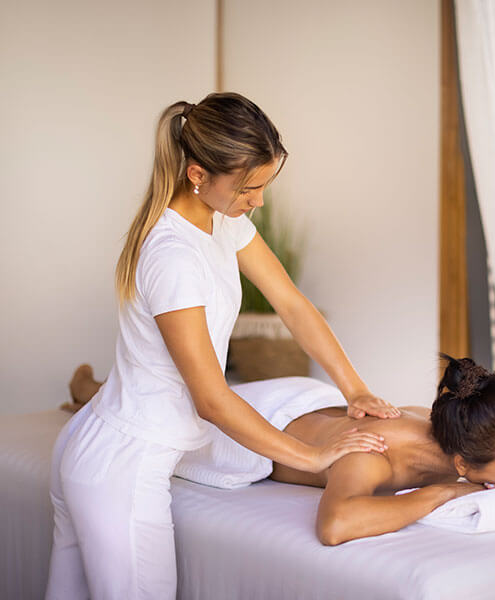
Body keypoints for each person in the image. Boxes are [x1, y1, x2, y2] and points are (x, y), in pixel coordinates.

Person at [46, 92, 399, 599]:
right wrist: (311, 456)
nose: (258, 200)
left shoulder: (223, 222)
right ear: (198, 174)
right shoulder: (173, 258)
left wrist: (355, 389)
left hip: (99, 442)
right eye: (249, 188)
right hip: (122, 466)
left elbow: (292, 304)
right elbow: (212, 399)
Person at [68, 354, 495, 547]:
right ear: (463, 464)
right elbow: (336, 526)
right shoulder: (369, 455)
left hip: (311, 401)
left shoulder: (466, 429)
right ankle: (88, 391)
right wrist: (442, 494)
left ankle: (97, 389)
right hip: (247, 434)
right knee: (149, 408)